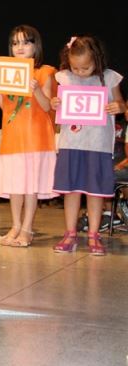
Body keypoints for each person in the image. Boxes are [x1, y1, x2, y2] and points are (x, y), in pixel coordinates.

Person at [51, 35, 125, 255]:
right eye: (76, 67)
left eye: (85, 67)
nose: (80, 72)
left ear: (97, 60)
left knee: (95, 191)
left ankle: (94, 234)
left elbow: (121, 103)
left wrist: (118, 107)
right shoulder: (64, 77)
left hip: (98, 144)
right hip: (71, 143)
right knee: (70, 190)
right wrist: (55, 103)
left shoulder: (109, 78)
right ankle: (70, 233)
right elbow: (57, 104)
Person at [0, 25, 56, 248]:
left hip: (36, 137)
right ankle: (15, 225)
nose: (20, 47)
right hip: (12, 137)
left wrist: (35, 89)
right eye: (15, 43)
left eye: (26, 42)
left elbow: (48, 106)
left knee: (30, 185)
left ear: (36, 46)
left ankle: (27, 228)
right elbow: (2, 106)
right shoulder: (6, 71)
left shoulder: (45, 71)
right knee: (15, 184)